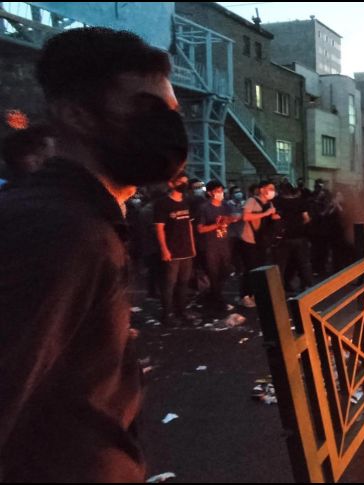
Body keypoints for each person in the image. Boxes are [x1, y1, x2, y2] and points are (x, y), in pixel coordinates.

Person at [0, 27, 187, 482]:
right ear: (75, 115)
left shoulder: (82, 218)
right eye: (145, 109)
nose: (166, 127)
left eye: (170, 112)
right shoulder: (63, 232)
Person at [155, 172, 197, 325]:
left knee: (183, 283)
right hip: (172, 251)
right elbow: (159, 228)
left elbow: (189, 225)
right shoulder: (162, 203)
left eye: (185, 182)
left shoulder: (186, 202)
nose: (183, 184)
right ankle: (167, 314)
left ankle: (182, 311)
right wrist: (164, 249)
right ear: (171, 184)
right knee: (169, 284)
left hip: (186, 250)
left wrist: (192, 246)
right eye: (180, 182)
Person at [238, 181, 280, 308]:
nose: (272, 191)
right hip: (249, 239)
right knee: (250, 268)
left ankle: (255, 295)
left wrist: (274, 218)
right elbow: (245, 217)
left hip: (263, 240)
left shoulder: (270, 203)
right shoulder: (252, 201)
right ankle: (245, 296)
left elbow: (269, 220)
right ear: (262, 190)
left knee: (259, 268)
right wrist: (265, 214)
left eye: (273, 188)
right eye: (270, 188)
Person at [197, 180, 236, 313]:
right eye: (217, 191)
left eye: (221, 190)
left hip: (224, 242)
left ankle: (213, 295)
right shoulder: (204, 208)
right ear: (210, 193)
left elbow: (232, 217)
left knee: (225, 271)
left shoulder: (225, 206)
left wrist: (231, 219)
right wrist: (216, 225)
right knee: (213, 272)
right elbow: (200, 229)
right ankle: (217, 301)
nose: (220, 193)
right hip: (210, 245)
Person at [274, 183, 313, 293]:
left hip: (283, 237)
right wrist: (299, 225)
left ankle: (278, 289)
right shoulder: (301, 201)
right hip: (300, 236)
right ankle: (307, 286)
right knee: (303, 263)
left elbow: (275, 217)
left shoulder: (277, 201)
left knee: (281, 265)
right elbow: (306, 218)